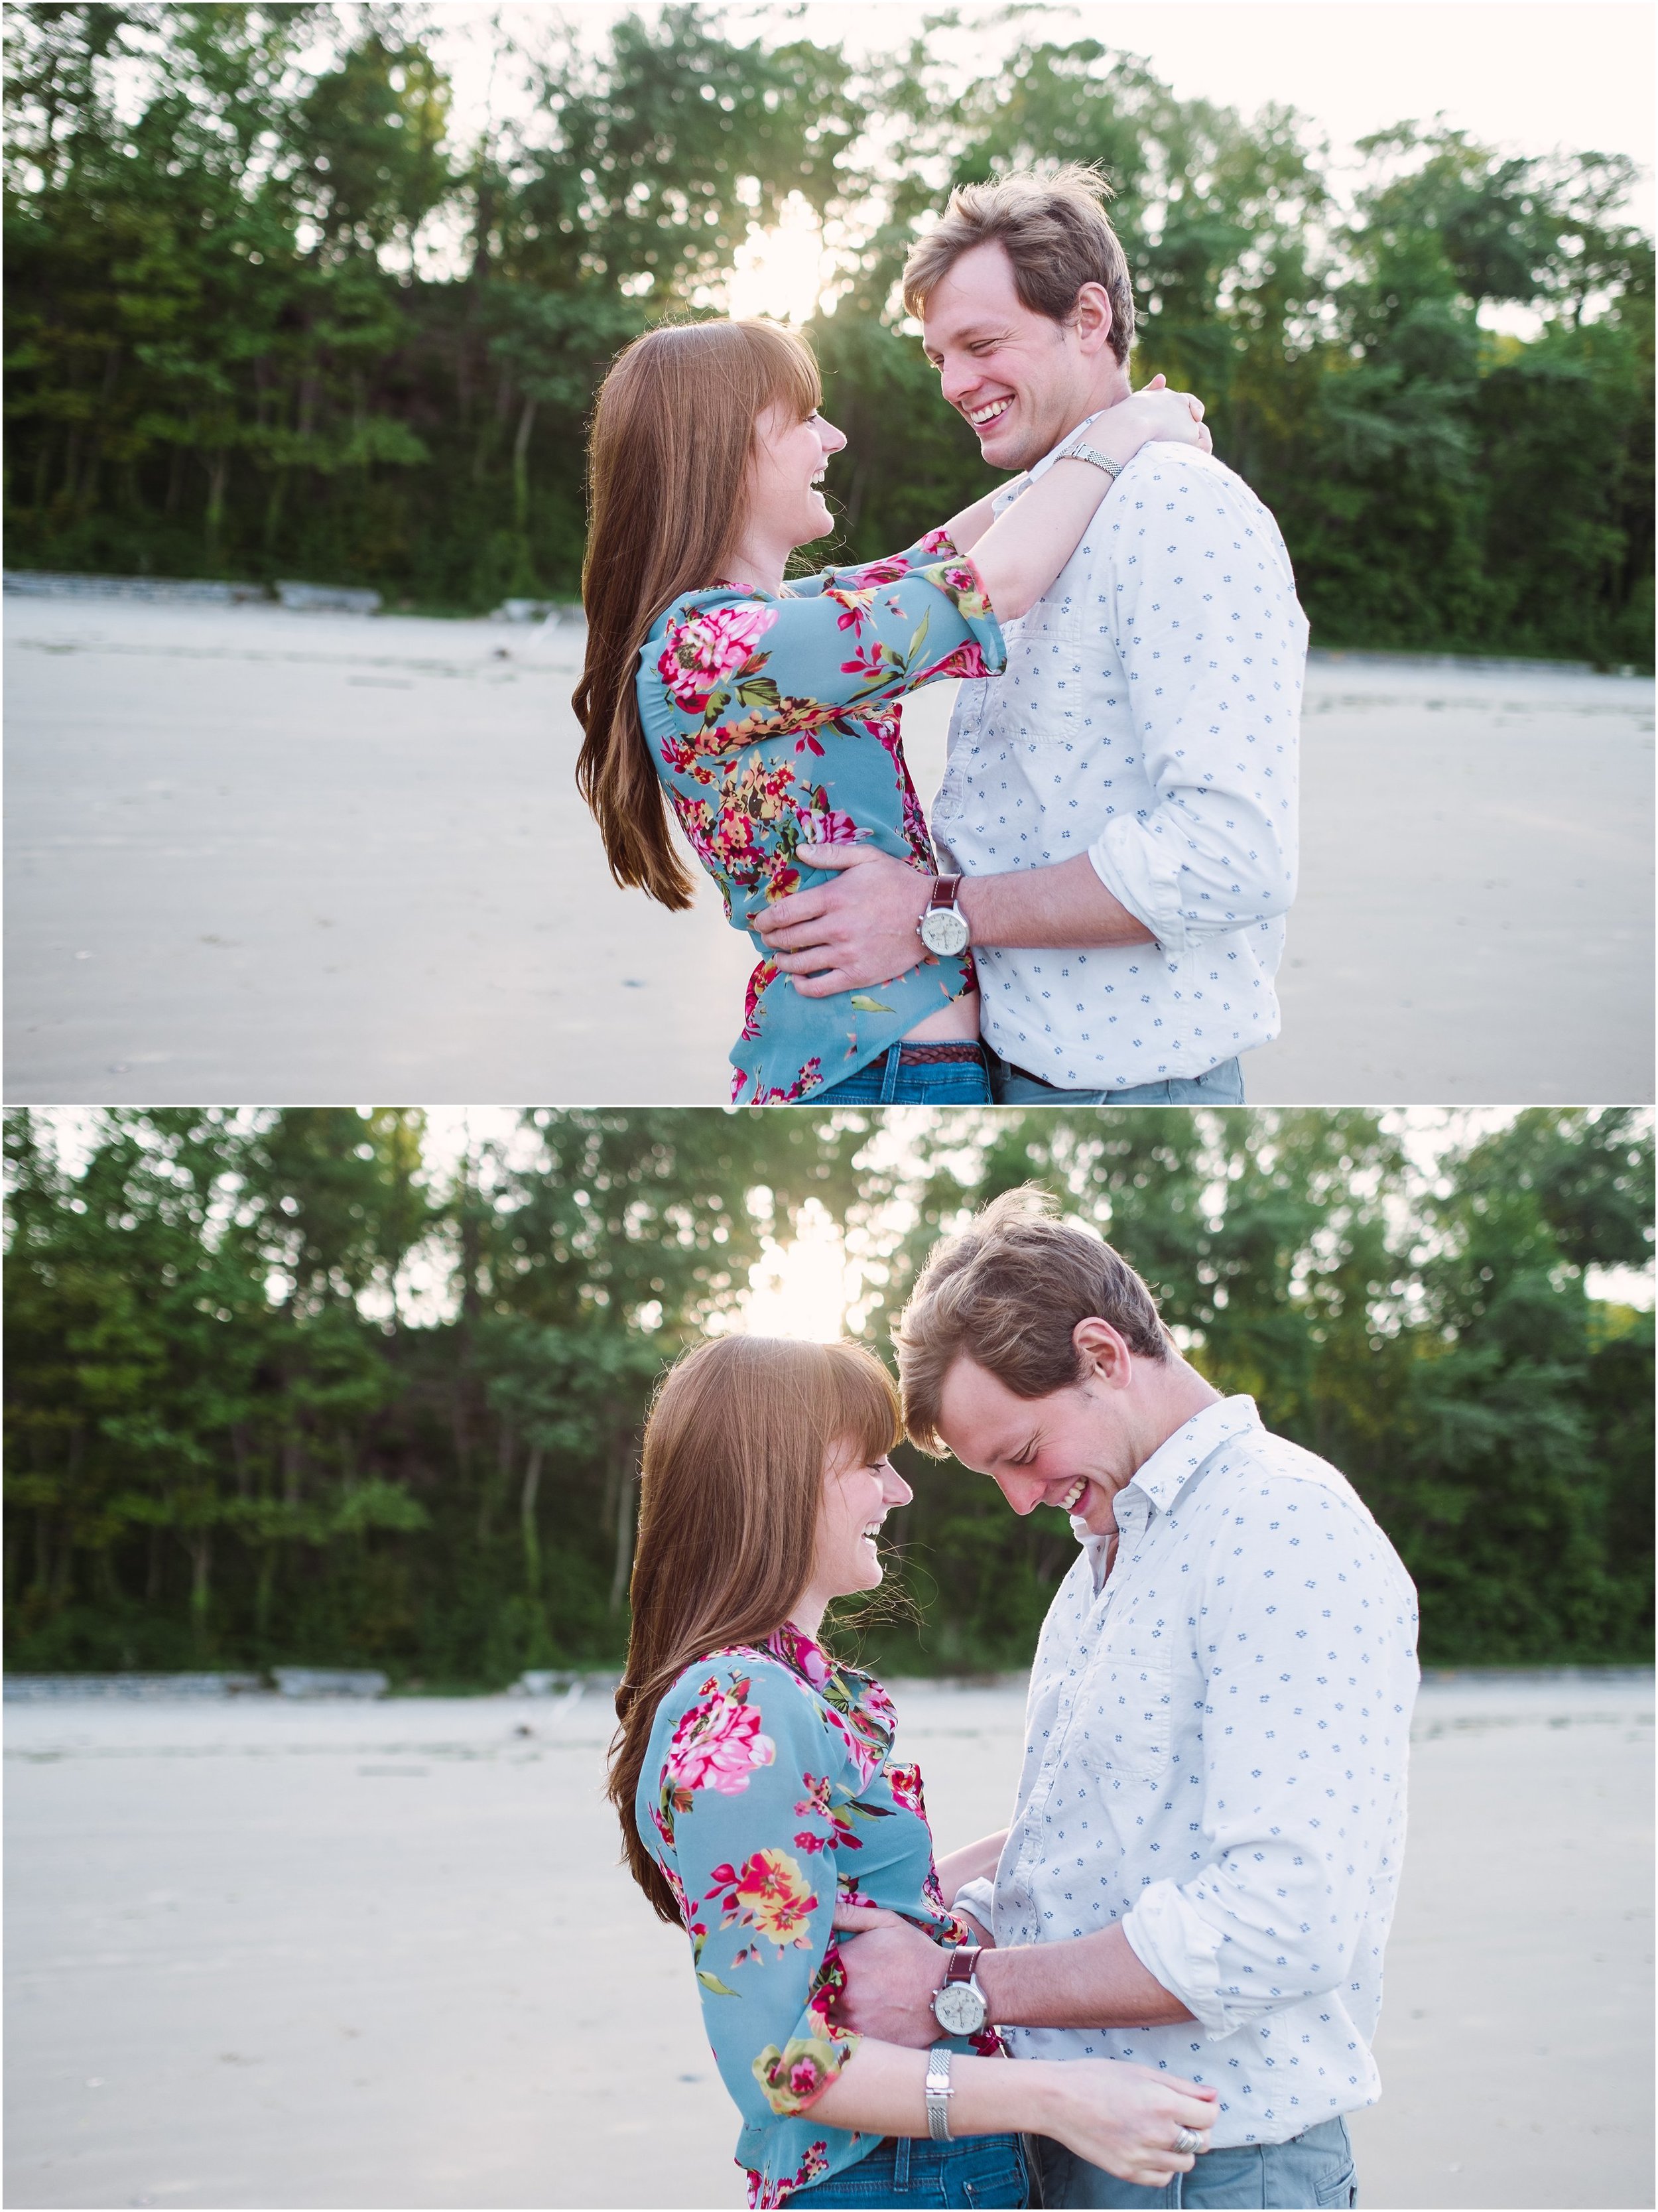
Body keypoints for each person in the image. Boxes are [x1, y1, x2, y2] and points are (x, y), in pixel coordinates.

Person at [830, 1191, 1420, 2211]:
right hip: (1083, 2140)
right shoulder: (1114, 1549)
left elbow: (1284, 1919)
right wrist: (926, 1903)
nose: (1020, 1498)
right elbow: (1103, 1838)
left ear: (1102, 1354)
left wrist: (954, 1981)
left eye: (1020, 1454)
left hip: (1215, 2164)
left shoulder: (1282, 1525)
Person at [607, 1333, 1220, 2208]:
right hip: (887, 2178)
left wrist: (1096, 1816)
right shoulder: (738, 1706)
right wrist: (1065, 2095)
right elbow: (782, 2061)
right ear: (776, 1480)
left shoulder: (777, 1685)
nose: (898, 1490)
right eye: (871, 1463)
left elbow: (858, 1912)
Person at [753, 169, 1309, 1106]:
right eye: (938, 358)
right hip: (1005, 1066)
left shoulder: (1180, 506)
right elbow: (904, 583)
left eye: (980, 344)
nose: (957, 384)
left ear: (1088, 319)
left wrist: (934, 911)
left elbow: (1231, 856)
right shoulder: (1057, 507)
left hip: (1117, 1092)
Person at [573, 316, 1210, 1105]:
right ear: (722, 452)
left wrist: (1090, 435)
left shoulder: (759, 625)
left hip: (896, 1068)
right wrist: (1128, 431)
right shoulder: (715, 649)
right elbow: (991, 584)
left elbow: (936, 561)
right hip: (878, 1073)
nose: (833, 437)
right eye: (805, 419)